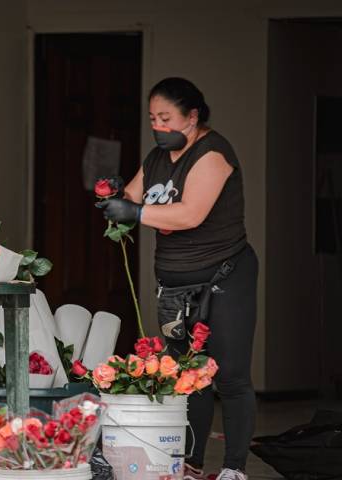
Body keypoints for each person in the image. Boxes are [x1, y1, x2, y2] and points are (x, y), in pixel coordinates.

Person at [98, 77, 258, 480]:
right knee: (190, 377)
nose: (158, 126)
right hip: (175, 285)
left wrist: (134, 214)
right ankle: (190, 463)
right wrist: (116, 196)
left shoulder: (213, 153)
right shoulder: (156, 158)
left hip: (224, 276)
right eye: (153, 118)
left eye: (166, 118)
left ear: (192, 117)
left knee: (230, 374)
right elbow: (134, 195)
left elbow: (190, 214)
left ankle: (234, 468)